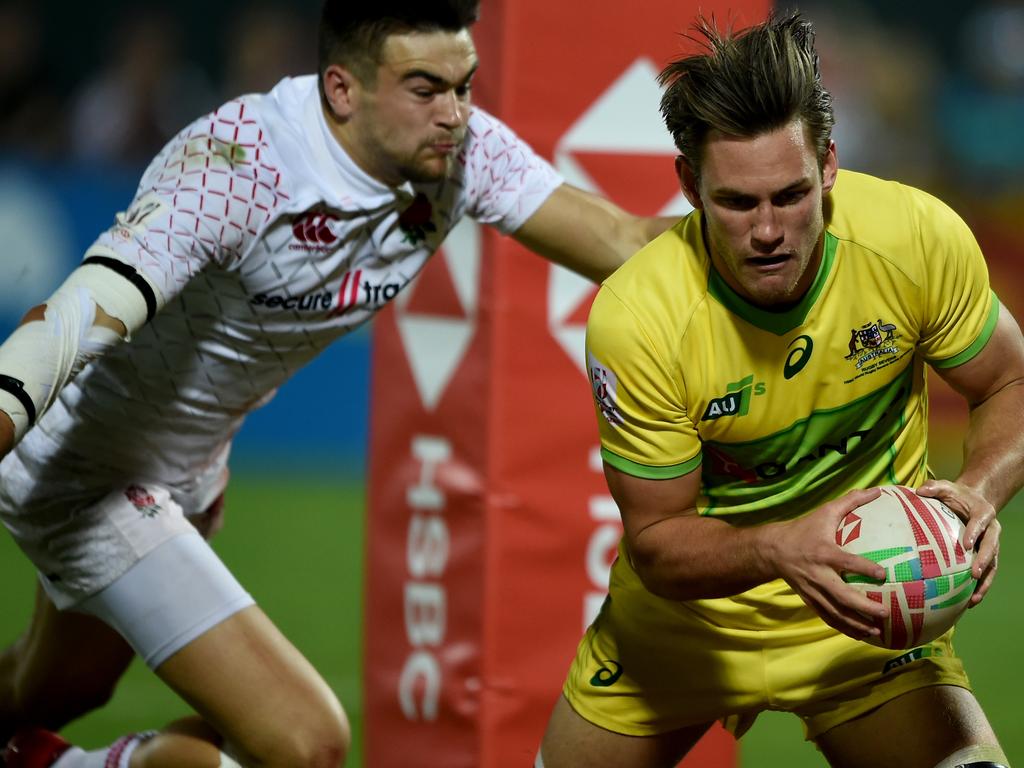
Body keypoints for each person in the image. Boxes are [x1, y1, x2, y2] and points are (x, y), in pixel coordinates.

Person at [0, 2, 674, 766]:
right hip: (88, 474)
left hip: (185, 471)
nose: (455, 115)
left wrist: (789, 226)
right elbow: (83, 311)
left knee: (54, 690)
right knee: (307, 740)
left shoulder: (461, 152)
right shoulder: (241, 163)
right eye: (425, 88)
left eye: (466, 86)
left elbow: (624, 240)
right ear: (342, 90)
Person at [538, 12, 1024, 768]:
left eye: (792, 194)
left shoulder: (914, 238)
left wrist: (981, 491)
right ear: (688, 185)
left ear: (829, 163)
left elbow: (1011, 380)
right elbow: (659, 544)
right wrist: (779, 547)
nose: (770, 230)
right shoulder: (640, 314)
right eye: (737, 203)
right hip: (683, 635)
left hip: (867, 630)